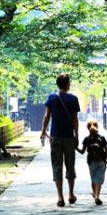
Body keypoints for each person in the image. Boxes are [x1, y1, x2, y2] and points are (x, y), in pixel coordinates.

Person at [40, 73, 80, 207]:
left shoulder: (51, 98)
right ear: (68, 84)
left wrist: (43, 131)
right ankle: (71, 194)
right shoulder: (73, 99)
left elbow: (46, 116)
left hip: (55, 137)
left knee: (57, 166)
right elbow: (75, 119)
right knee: (70, 165)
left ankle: (60, 197)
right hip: (69, 136)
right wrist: (77, 135)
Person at [76, 119, 107, 205]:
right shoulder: (102, 138)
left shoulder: (86, 139)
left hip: (91, 162)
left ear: (87, 128)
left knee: (93, 180)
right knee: (98, 180)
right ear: (97, 127)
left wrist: (75, 147)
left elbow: (82, 152)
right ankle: (97, 196)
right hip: (101, 161)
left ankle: (95, 195)